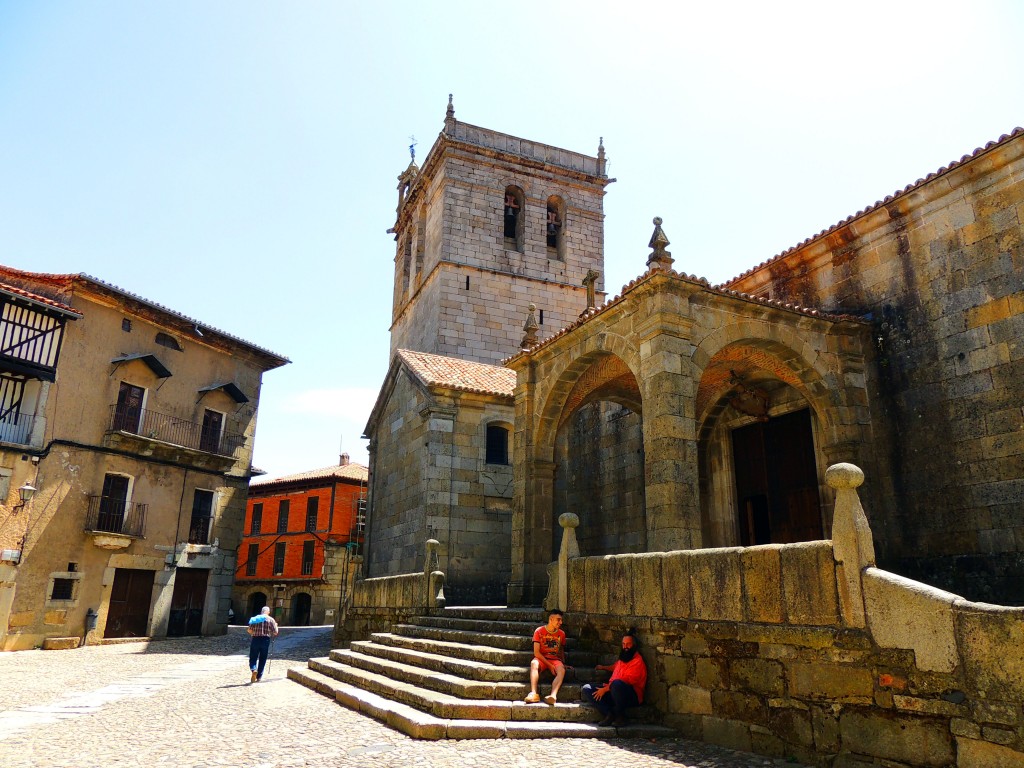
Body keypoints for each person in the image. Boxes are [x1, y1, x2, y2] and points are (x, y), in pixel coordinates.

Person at [582, 628, 647, 727]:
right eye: (623, 644)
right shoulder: (624, 657)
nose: (625, 647)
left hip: (630, 695)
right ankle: (609, 714)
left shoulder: (638, 661)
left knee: (617, 684)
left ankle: (620, 717)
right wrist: (603, 667)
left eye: (628, 644)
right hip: (612, 690)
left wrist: (605, 689)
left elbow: (626, 681)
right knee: (587, 688)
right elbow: (615, 666)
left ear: (634, 645)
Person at [525, 608, 570, 705]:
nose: (561, 622)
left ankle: (553, 696)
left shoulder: (561, 634)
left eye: (561, 620)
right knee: (534, 663)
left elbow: (561, 649)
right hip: (541, 658)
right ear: (551, 619)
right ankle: (533, 693)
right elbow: (536, 653)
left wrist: (563, 663)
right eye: (558, 619)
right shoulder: (539, 631)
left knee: (561, 670)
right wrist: (549, 665)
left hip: (555, 659)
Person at [247, 606, 279, 682]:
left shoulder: (255, 619)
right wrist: (276, 626)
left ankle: (254, 669)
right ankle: (259, 676)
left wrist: (253, 633)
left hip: (256, 639)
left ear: (261, 611)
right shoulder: (271, 620)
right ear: (268, 612)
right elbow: (275, 632)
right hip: (265, 640)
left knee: (253, 656)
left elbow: (249, 630)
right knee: (263, 658)